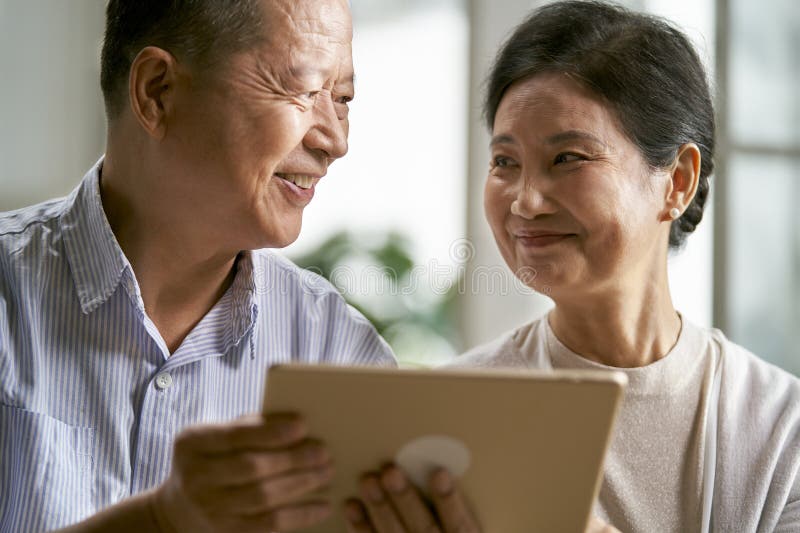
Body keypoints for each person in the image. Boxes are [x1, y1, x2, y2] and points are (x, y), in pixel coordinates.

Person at [0, 1, 478, 532]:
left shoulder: (337, 352)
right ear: (157, 91)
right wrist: (159, 521)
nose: (335, 141)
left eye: (342, 100)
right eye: (300, 90)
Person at [441, 1, 800, 532]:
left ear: (677, 180)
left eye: (569, 158)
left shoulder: (779, 430)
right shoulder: (448, 410)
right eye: (504, 162)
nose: (526, 201)